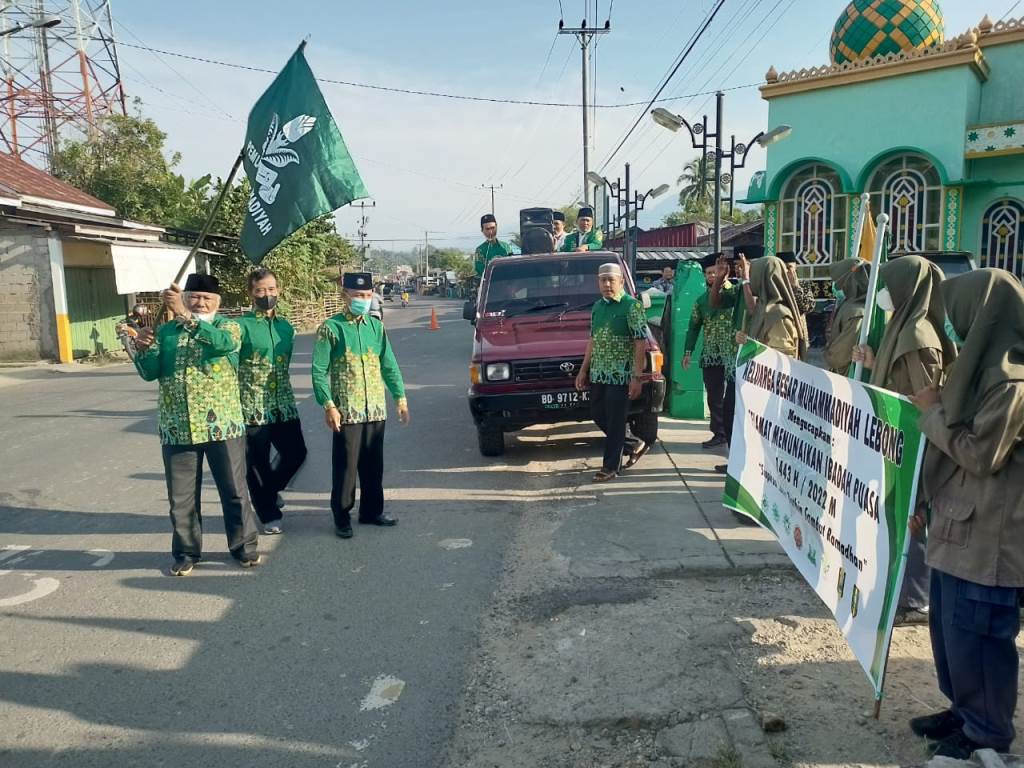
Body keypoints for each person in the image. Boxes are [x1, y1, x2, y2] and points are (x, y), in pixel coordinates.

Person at [907, 268, 1024, 759]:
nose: (953, 327)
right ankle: (964, 710)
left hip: (990, 536)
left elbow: (981, 454)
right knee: (952, 633)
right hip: (957, 521)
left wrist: (931, 412)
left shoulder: (1010, 380)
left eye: (960, 316)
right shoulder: (977, 369)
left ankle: (986, 732)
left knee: (979, 635)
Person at [132, 274, 260, 576]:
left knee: (234, 491)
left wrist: (187, 316)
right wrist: (144, 348)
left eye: (207, 298)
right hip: (177, 427)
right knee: (181, 497)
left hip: (222, 426)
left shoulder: (228, 327)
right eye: (194, 297)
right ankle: (187, 552)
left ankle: (244, 547)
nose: (200, 303)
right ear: (185, 296)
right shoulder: (167, 331)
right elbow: (150, 373)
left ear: (218, 302)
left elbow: (221, 346)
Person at [852, 255, 956, 625]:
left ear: (906, 288)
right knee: (900, 515)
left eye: (888, 284)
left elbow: (923, 398)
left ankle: (916, 599)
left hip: (914, 445)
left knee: (915, 515)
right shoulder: (904, 327)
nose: (881, 293)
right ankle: (905, 588)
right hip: (896, 441)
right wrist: (875, 359)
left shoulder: (918, 336)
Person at [312, 272, 410, 538]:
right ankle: (341, 516)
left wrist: (400, 398)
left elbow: (388, 364)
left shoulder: (376, 327)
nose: (363, 301)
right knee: (346, 467)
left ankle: (371, 511)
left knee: (373, 463)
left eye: (367, 296)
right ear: (345, 296)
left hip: (375, 408)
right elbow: (319, 370)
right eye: (357, 296)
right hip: (347, 410)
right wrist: (328, 405)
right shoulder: (331, 328)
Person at [237, 268, 307, 536]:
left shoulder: (285, 327)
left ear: (278, 290)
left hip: (283, 402)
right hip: (252, 405)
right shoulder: (241, 327)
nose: (267, 294)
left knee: (296, 453)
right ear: (251, 293)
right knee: (258, 463)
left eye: (271, 289)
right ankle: (268, 513)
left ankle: (270, 490)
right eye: (260, 290)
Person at [574, 262, 648, 483]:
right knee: (597, 413)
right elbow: (592, 341)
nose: (607, 284)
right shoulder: (597, 307)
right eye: (603, 280)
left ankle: (610, 466)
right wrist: (583, 370)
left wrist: (637, 377)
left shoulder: (631, 306)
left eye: (611, 280)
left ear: (621, 282)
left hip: (621, 374)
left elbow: (640, 342)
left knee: (616, 420)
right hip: (599, 373)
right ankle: (633, 444)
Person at [684, 254, 738, 450]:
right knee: (714, 396)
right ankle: (719, 433)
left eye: (716, 272)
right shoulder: (700, 300)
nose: (712, 276)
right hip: (710, 354)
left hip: (733, 353)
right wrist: (688, 351)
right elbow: (693, 326)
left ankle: (733, 433)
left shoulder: (736, 293)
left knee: (732, 398)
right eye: (708, 273)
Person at [734, 254, 808, 360]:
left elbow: (780, 360)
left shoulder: (778, 315)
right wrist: (744, 340)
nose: (751, 278)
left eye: (753, 274)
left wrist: (750, 344)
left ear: (763, 278)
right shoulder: (763, 308)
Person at [823, 258, 870, 375]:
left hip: (849, 376)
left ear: (848, 281)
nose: (834, 286)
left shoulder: (856, 312)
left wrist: (827, 354)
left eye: (837, 281)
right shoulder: (851, 304)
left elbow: (838, 357)